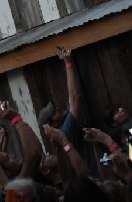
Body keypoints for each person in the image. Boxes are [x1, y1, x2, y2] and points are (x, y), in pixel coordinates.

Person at [37, 46, 99, 179]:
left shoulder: (64, 124)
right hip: (98, 176)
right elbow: (75, 97)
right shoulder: (65, 130)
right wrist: (68, 61)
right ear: (52, 125)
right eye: (53, 112)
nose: (57, 109)